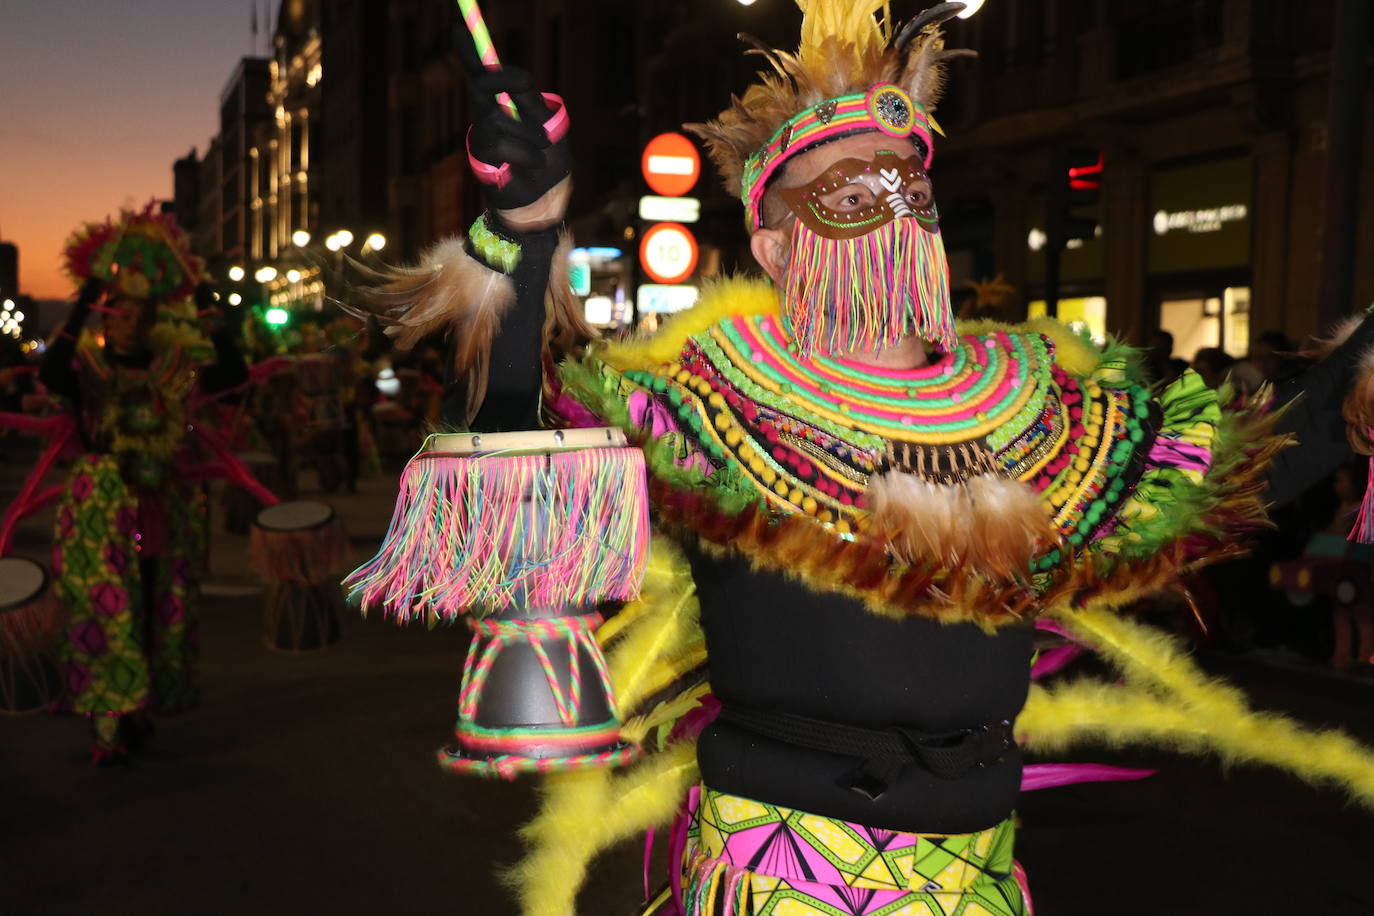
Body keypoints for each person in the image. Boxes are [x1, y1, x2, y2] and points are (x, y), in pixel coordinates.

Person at [349, 3, 1374, 913]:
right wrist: (524, 238)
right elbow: (515, 446)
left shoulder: (1039, 409)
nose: (887, 203)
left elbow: (1245, 455)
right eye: (844, 189)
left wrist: (1354, 377)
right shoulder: (711, 399)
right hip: (784, 872)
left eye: (906, 181)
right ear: (778, 243)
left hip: (977, 874)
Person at [39, 204, 247, 763]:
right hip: (100, 506)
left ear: (153, 318)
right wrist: (87, 292)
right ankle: (107, 723)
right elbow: (50, 372)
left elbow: (234, 372)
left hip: (159, 503)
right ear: (104, 318)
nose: (124, 320)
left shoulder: (175, 367)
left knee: (155, 601)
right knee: (103, 606)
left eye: (136, 313)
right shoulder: (85, 371)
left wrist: (204, 291)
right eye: (115, 312)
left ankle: (139, 705)